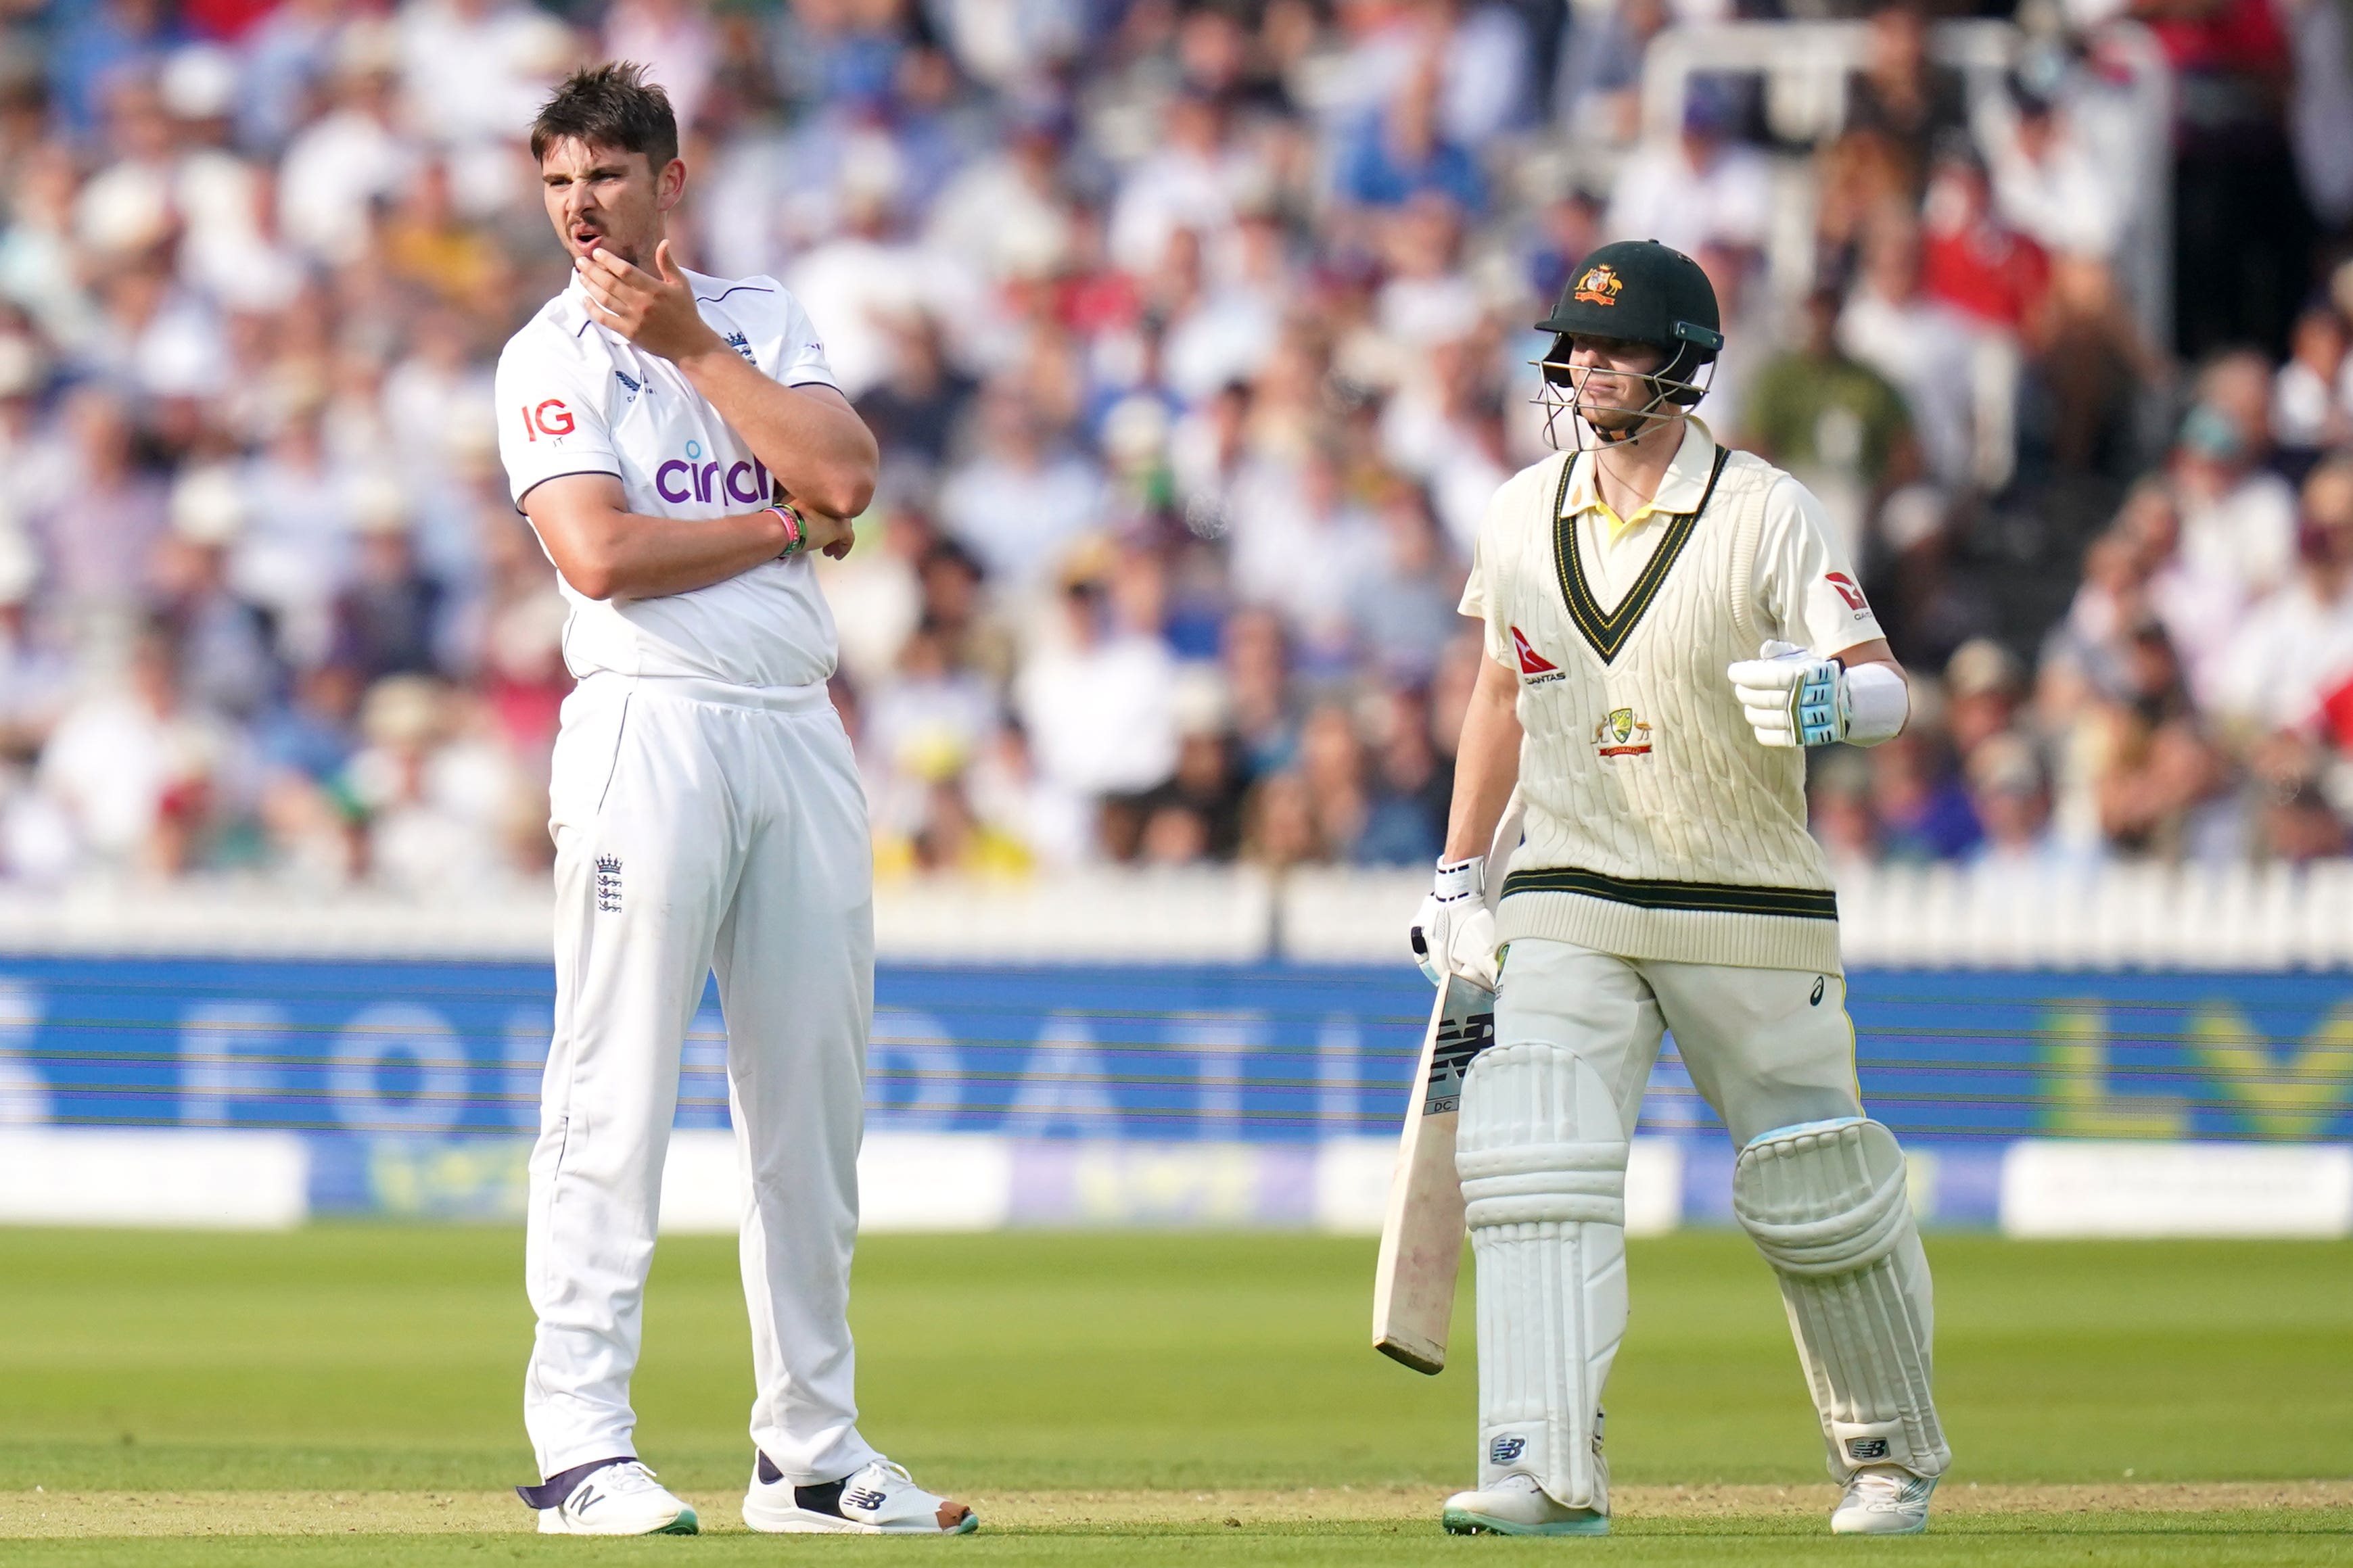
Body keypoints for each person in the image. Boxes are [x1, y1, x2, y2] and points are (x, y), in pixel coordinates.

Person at [493, 63, 975, 1539]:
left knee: (808, 1108)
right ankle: (579, 1442)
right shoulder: (542, 352)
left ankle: (810, 1454)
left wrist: (699, 345)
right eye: (562, 180)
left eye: (610, 177)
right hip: (650, 726)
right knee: (614, 1088)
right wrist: (776, 520)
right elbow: (603, 554)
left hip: (794, 725)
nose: (584, 206)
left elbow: (852, 470)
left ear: (669, 182)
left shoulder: (755, 314)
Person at [1407, 240, 1948, 1538]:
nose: (1587, 362)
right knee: (1533, 1145)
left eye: (1618, 343)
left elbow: (1883, 679)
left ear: (1684, 363)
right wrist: (1457, 871)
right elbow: (1500, 688)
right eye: (1577, 343)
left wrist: (1830, 699)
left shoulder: (1764, 508)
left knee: (1816, 1178)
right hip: (1572, 889)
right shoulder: (1518, 510)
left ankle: (1888, 1458)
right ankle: (1544, 1466)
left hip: (1744, 894)